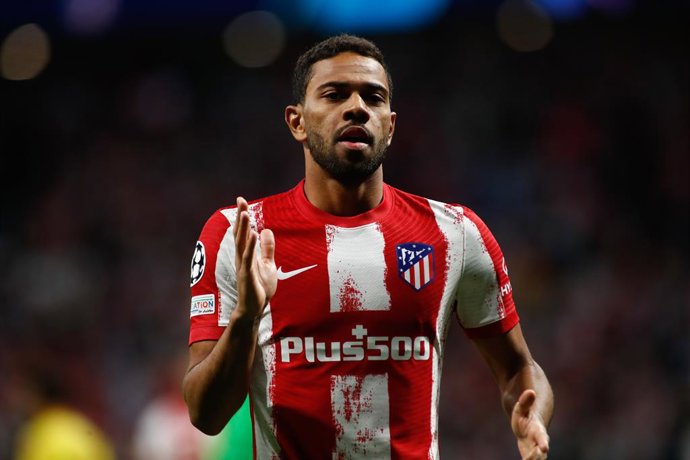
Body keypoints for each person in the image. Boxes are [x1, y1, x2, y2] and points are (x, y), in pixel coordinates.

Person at [183, 34, 553, 459]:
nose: (356, 107)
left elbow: (520, 370)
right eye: (335, 94)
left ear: (390, 126)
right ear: (297, 122)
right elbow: (205, 414)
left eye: (373, 97)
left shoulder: (455, 234)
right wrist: (246, 317)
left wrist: (533, 414)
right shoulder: (238, 234)